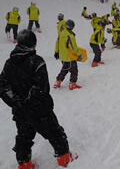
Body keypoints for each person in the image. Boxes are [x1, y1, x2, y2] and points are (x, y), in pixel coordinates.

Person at [0, 30, 75, 169]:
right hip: (40, 110)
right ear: (33, 44)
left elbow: (3, 88)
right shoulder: (37, 61)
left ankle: (24, 164)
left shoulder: (9, 63)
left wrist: (16, 102)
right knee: (54, 132)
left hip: (20, 111)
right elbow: (41, 88)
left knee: (24, 137)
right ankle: (64, 158)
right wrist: (28, 102)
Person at [54, 20, 83, 90]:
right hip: (69, 57)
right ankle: (72, 84)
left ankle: (58, 81)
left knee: (65, 69)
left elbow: (57, 43)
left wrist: (56, 52)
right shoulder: (70, 36)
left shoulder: (61, 33)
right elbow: (73, 48)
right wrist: (79, 54)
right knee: (74, 71)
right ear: (72, 27)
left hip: (63, 56)